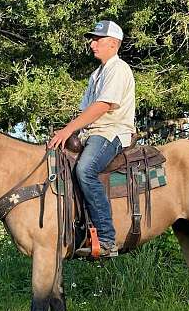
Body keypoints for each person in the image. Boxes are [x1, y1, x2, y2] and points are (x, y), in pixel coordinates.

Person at [48, 20, 136, 257]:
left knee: (85, 169)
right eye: (92, 38)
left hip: (112, 132)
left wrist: (67, 130)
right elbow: (85, 112)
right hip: (93, 133)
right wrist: (70, 131)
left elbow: (101, 107)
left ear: (113, 43)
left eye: (97, 39)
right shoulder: (96, 74)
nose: (92, 43)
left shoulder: (119, 69)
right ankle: (76, 229)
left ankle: (107, 239)